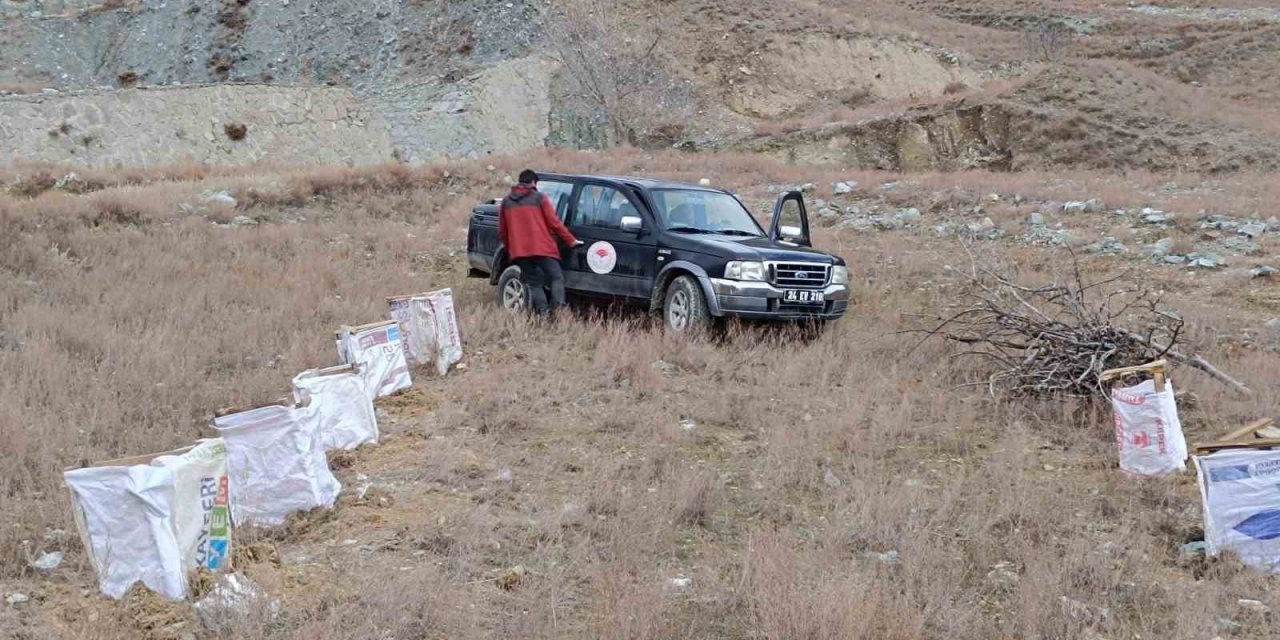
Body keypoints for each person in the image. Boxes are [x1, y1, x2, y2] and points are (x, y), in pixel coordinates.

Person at [498, 169, 582, 315]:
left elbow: (503, 231)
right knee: (556, 277)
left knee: (533, 283)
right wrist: (570, 240)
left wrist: (511, 249)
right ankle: (558, 311)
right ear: (534, 182)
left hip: (520, 252)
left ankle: (544, 314)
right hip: (542, 248)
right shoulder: (539, 198)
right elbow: (554, 223)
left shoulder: (506, 202)